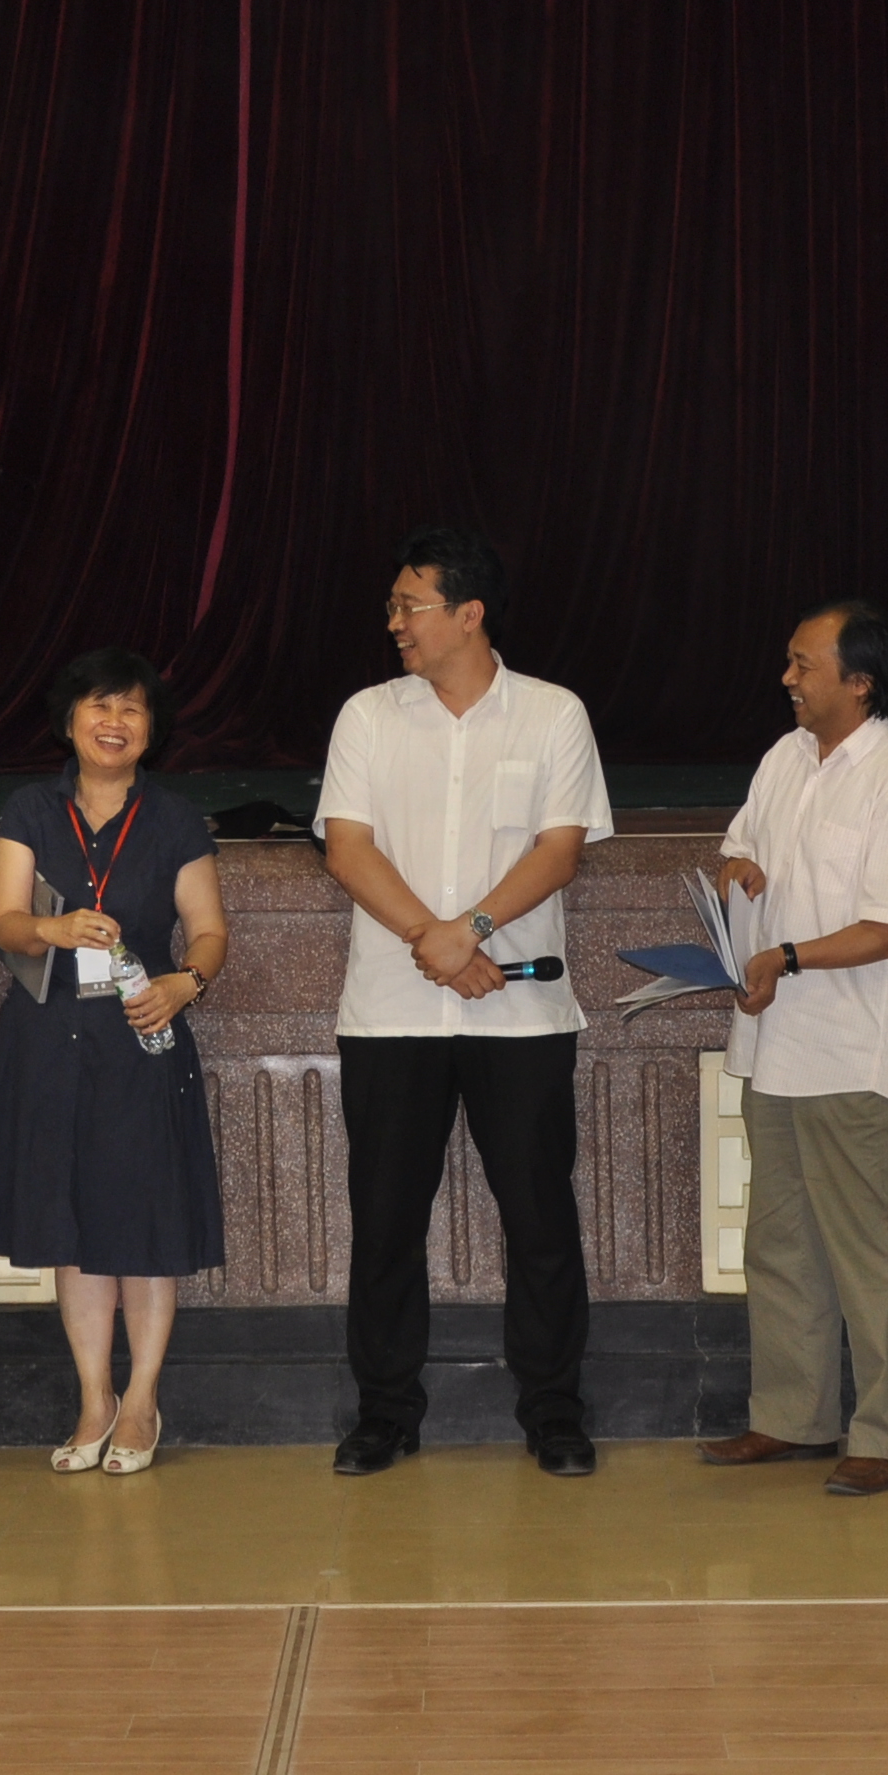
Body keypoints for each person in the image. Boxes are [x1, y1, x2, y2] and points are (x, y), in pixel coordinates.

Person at [314, 526, 614, 1479]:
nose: (395, 623)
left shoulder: (553, 713)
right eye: (395, 607)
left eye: (411, 606)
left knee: (540, 1218)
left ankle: (554, 1409)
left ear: (470, 613)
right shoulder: (368, 715)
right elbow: (347, 849)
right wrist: (433, 941)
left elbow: (559, 850)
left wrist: (471, 929)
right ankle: (385, 1412)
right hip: (392, 1014)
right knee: (385, 1222)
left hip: (518, 1014)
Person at [698, 603, 888, 1497]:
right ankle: (791, 1415)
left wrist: (784, 956)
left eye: (804, 665)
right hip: (774, 1044)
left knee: (869, 1250)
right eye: (789, 661)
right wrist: (739, 872)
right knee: (781, 1242)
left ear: (861, 681)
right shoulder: (784, 757)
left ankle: (887, 1434)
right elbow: (739, 849)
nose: (788, 679)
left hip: (855, 1046)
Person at [0, 648, 228, 1473]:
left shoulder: (174, 818)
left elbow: (210, 932)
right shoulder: (31, 809)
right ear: (70, 720)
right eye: (98, 707)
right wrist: (52, 928)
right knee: (70, 1227)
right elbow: (5, 922)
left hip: (142, 1036)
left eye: (131, 710)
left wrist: (186, 984)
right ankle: (93, 1398)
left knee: (144, 1225)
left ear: (151, 729)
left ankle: (142, 1399)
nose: (114, 723)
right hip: (49, 1040)